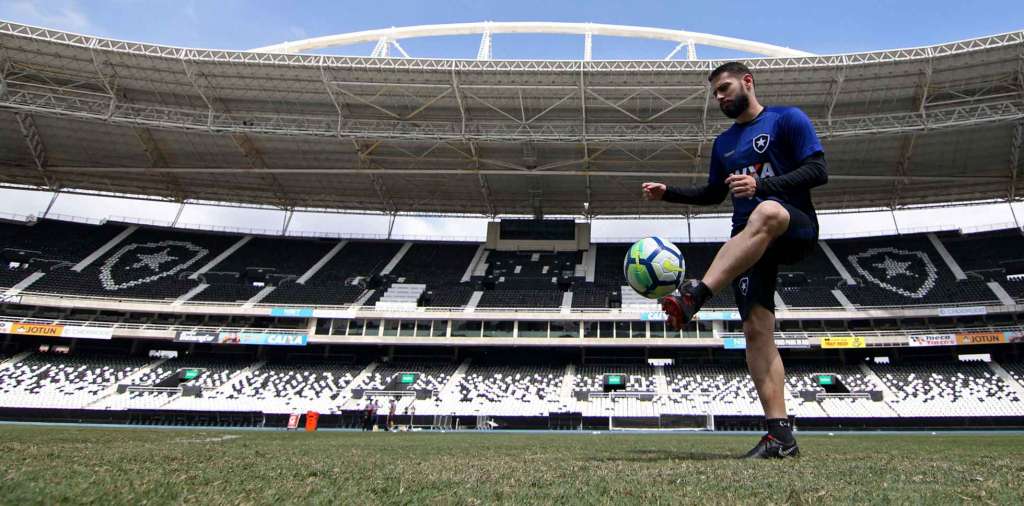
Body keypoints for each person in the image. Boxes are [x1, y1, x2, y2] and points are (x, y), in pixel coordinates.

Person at [642, 61, 827, 459]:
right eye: (715, 94)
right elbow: (713, 193)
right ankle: (780, 437)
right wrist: (668, 193)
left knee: (767, 211)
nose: (720, 97)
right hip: (748, 242)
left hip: (792, 227)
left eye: (724, 88)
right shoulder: (724, 144)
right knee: (757, 330)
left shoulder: (786, 120)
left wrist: (764, 185)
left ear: (747, 81)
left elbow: (817, 170)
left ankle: (696, 294)